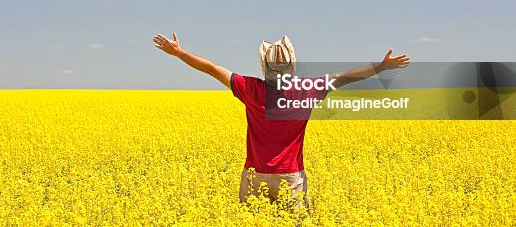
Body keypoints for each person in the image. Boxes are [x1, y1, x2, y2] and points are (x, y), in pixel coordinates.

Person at [152, 32, 410, 207]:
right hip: (290, 176)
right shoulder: (307, 89)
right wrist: (380, 67)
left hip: (255, 173)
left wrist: (179, 53)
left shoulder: (250, 88)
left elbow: (210, 68)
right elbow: (346, 77)